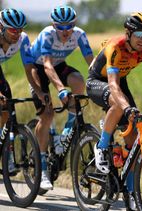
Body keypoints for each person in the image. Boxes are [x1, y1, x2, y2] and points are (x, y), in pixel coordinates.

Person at [86, 12, 142, 211]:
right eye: (139, 34)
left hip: (120, 80)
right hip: (98, 82)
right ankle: (101, 146)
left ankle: (131, 192)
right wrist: (127, 108)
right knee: (119, 105)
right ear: (128, 33)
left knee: (134, 139)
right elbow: (113, 86)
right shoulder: (115, 47)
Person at [29, 5, 94, 190]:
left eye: (69, 26)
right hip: (38, 69)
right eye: (61, 27)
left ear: (74, 24)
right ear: (54, 25)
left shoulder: (79, 35)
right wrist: (60, 89)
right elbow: (47, 65)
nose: (65, 31)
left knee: (78, 80)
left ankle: (66, 131)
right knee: (47, 115)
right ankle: (41, 170)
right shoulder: (47, 34)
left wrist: (104, 81)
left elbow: (92, 62)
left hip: (59, 65)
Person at [0, 8, 39, 173]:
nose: (17, 33)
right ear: (1, 27)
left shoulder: (22, 40)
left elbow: (29, 68)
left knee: (7, 107)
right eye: (13, 29)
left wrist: (39, 91)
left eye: (20, 29)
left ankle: (5, 154)